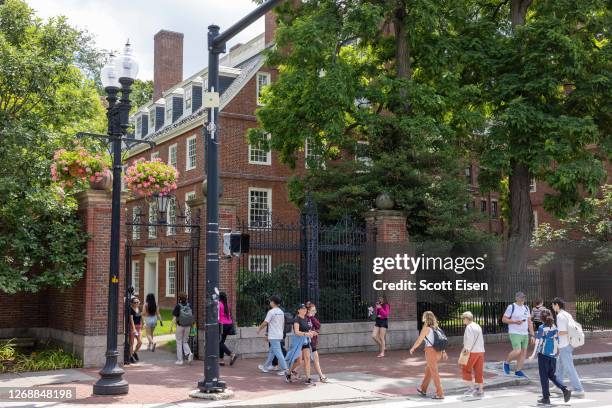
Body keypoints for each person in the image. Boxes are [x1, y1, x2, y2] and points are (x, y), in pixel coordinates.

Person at [528, 310, 572, 405]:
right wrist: (557, 353)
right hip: (553, 356)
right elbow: (558, 341)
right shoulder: (554, 328)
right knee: (551, 375)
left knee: (544, 377)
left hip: (543, 355)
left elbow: (538, 342)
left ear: (541, 319)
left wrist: (532, 355)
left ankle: (546, 398)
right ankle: (564, 389)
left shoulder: (541, 328)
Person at [410, 311, 447, 400]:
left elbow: (419, 340)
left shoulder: (426, 329)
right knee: (429, 371)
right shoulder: (436, 328)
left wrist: (413, 348)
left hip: (431, 352)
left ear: (425, 318)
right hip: (439, 352)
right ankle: (423, 389)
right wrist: (444, 351)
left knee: (434, 373)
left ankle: (440, 393)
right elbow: (440, 340)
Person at [552, 297, 585, 397]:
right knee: (560, 365)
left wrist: (554, 333)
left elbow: (562, 331)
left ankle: (578, 389)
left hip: (564, 344)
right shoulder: (567, 314)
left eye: (553, 305)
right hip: (569, 343)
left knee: (569, 367)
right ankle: (558, 386)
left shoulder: (560, 316)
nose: (553, 307)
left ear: (557, 305)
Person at [257, 295, 291, 382]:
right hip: (279, 335)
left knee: (278, 353)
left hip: (273, 336)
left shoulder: (271, 312)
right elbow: (282, 324)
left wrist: (259, 329)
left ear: (273, 302)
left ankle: (285, 369)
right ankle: (265, 367)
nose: (270, 302)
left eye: (270, 301)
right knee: (272, 352)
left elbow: (265, 322)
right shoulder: (281, 312)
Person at [501, 291, 535, 378]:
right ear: (516, 298)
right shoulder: (511, 307)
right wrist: (514, 321)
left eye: (523, 297)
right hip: (514, 332)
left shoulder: (526, 308)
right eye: (521, 297)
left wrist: (532, 335)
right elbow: (504, 319)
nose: (522, 299)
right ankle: (506, 363)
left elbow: (529, 322)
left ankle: (518, 371)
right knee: (517, 351)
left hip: (525, 333)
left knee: (523, 353)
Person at [285, 303, 316, 385]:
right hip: (298, 342)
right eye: (302, 309)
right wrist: (306, 334)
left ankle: (308, 378)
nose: (304, 310)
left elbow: (307, 329)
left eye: (305, 309)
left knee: (307, 359)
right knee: (298, 361)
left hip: (305, 341)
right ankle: (288, 373)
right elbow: (297, 332)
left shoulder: (305, 318)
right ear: (298, 310)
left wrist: (311, 332)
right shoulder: (296, 319)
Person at [460, 311, 485, 398]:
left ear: (466, 318)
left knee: (466, 369)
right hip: (481, 351)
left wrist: (466, 351)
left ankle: (471, 388)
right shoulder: (477, 325)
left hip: (472, 351)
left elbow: (469, 341)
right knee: (479, 370)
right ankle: (481, 390)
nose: (463, 320)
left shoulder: (469, 327)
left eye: (463, 319)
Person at [171, 292, 194, 366]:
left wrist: (171, 327)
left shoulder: (178, 306)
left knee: (179, 342)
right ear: (186, 298)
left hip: (180, 326)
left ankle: (180, 360)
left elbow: (174, 318)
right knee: (185, 341)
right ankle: (189, 353)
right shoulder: (189, 305)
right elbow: (192, 315)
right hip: (188, 326)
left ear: (179, 298)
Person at [307, 303, 328, 383]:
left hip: (312, 342)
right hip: (306, 342)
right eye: (313, 310)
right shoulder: (305, 318)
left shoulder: (312, 318)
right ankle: (290, 371)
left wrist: (315, 331)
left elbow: (318, 326)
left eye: (315, 310)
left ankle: (321, 376)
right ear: (308, 310)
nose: (315, 312)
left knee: (314, 359)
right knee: (302, 360)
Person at [218, 292, 238, 366]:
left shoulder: (219, 304)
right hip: (228, 325)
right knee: (221, 342)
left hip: (222, 325)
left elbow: (217, 315)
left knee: (218, 343)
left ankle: (231, 354)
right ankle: (221, 360)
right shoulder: (227, 304)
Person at [128, 297, 143, 364]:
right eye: (135, 302)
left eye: (138, 302)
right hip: (132, 327)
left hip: (139, 327)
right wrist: (134, 329)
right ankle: (131, 356)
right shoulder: (131, 309)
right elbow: (131, 320)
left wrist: (143, 323)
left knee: (140, 342)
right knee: (132, 343)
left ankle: (134, 352)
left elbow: (140, 317)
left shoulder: (138, 308)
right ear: (132, 303)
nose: (137, 303)